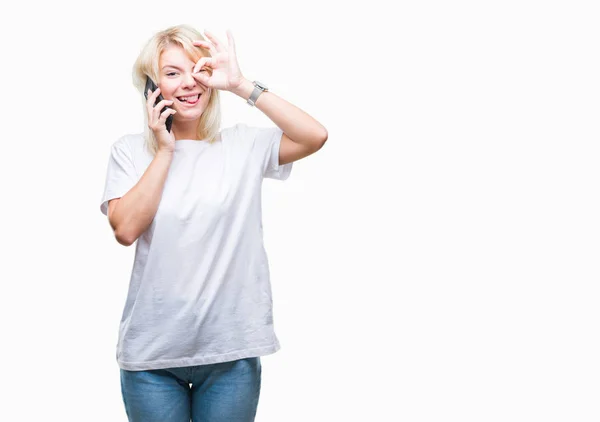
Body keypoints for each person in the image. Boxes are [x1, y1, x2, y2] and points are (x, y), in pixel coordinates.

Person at [99, 24, 327, 422]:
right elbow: (125, 230)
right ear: (151, 87)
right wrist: (166, 150)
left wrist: (241, 84)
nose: (190, 83)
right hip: (152, 357)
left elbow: (314, 136)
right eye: (172, 73)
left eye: (198, 70)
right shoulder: (130, 152)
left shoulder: (243, 145)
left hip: (231, 351)